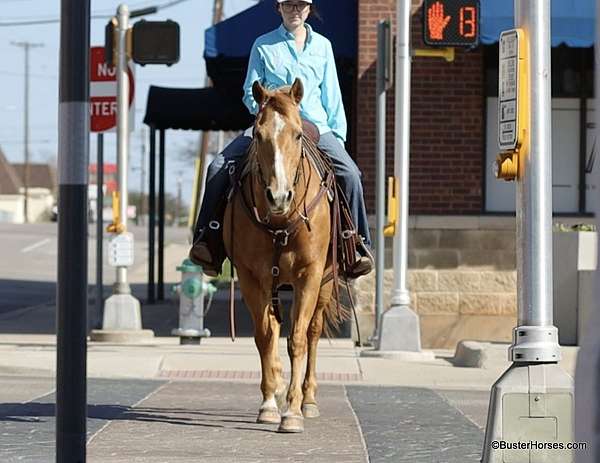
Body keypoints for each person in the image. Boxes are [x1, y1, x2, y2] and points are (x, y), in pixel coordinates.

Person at [190, 0, 373, 277]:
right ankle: (208, 241)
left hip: (315, 126)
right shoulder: (262, 45)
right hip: (273, 123)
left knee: (350, 174)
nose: (295, 10)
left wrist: (337, 138)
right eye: (289, 5)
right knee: (217, 166)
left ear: (309, 9)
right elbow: (249, 93)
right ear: (279, 9)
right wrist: (266, 111)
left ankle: (355, 243)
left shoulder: (323, 46)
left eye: (301, 5)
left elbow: (332, 97)